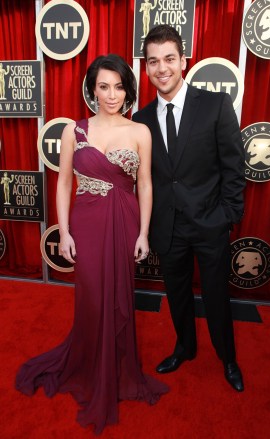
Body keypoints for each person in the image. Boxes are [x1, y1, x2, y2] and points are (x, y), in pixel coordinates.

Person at [15, 54, 168, 435]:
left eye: (118, 86)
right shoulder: (74, 130)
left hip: (124, 220)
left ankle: (115, 367)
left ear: (127, 89)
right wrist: (64, 231)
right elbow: (64, 182)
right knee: (91, 297)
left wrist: (143, 232)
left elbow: (145, 183)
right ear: (92, 89)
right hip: (86, 221)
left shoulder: (140, 132)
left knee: (119, 295)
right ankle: (88, 365)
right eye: (104, 86)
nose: (111, 94)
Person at [132, 25, 246, 392]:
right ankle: (184, 347)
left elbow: (233, 167)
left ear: (183, 60)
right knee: (177, 294)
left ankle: (228, 357)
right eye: (153, 61)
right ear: (146, 68)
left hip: (210, 223)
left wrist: (227, 215)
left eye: (169, 58)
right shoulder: (141, 120)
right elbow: (144, 178)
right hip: (168, 226)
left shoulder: (214, 104)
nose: (161, 68)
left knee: (216, 295)